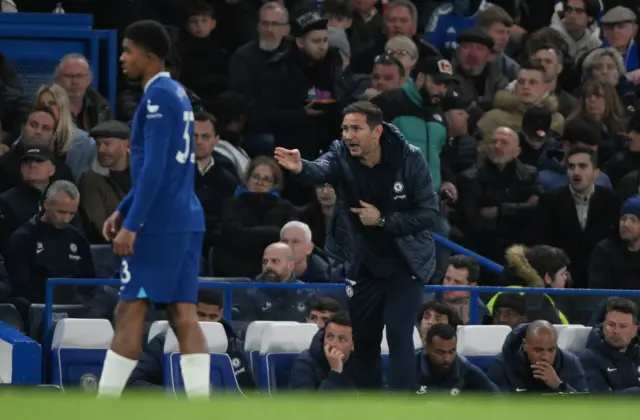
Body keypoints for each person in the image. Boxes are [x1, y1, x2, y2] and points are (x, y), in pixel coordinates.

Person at [275, 100, 438, 390]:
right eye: (345, 128)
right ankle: (370, 405)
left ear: (376, 132)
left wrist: (384, 221)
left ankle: (404, 407)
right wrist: (300, 167)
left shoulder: (409, 157)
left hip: (407, 260)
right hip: (365, 262)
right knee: (364, 338)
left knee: (399, 333)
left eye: (356, 128)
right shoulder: (340, 154)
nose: (348, 135)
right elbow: (319, 170)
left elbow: (428, 213)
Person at [97, 20, 209, 399]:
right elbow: (166, 168)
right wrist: (123, 208)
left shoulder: (158, 96)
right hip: (185, 216)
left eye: (128, 51)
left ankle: (102, 404)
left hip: (159, 223)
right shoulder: (177, 93)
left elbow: (156, 167)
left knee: (129, 311)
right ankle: (201, 406)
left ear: (149, 55)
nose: (122, 58)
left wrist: (133, 222)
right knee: (182, 314)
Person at [127, 289, 254, 390]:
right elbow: (133, 383)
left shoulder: (233, 346)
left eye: (213, 316)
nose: (206, 321)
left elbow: (251, 391)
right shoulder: (162, 344)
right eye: (200, 314)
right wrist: (173, 395)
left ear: (220, 315)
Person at [488, 321, 588, 393]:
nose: (545, 357)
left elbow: (586, 408)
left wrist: (559, 385)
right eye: (538, 350)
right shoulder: (503, 365)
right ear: (525, 345)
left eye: (551, 350)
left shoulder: (570, 363)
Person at [577, 297, 640, 394]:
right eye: (611, 325)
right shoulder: (587, 359)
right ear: (603, 326)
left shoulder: (636, 355)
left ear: (634, 331)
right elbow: (601, 402)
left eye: (623, 326)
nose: (616, 331)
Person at [415, 324, 497, 394]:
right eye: (440, 353)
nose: (447, 359)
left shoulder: (466, 370)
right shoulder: (408, 367)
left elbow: (497, 399)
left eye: (451, 352)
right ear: (426, 348)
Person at [289, 312, 356, 390]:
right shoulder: (304, 363)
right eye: (330, 337)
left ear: (353, 345)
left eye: (341, 339)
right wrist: (335, 372)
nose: (333, 344)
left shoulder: (361, 363)